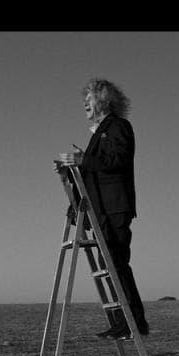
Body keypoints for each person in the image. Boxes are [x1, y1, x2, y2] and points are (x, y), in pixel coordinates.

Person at [55, 77, 149, 339]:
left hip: (115, 207)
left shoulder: (119, 126)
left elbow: (117, 161)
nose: (85, 103)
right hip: (101, 209)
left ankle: (135, 322)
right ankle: (123, 320)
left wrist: (84, 159)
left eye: (90, 98)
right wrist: (71, 170)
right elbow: (96, 171)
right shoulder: (100, 132)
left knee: (116, 262)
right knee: (109, 263)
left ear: (104, 100)